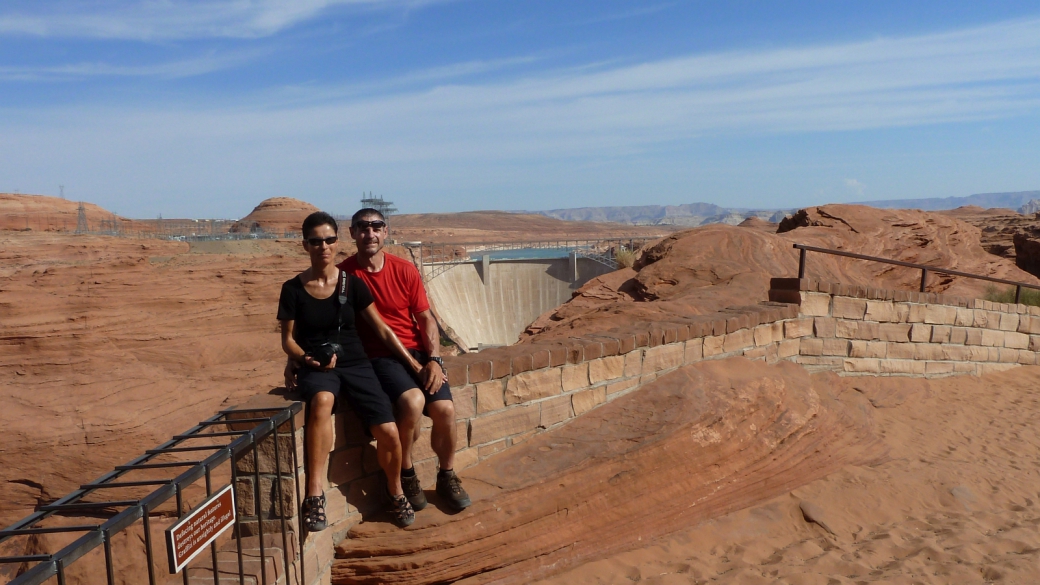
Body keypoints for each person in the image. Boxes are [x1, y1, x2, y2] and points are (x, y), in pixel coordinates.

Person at [278, 211, 425, 530]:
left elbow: (383, 329)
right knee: (322, 402)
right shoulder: (293, 289)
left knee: (388, 430)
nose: (323, 246)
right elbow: (288, 340)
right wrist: (302, 359)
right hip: (317, 364)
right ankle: (314, 495)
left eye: (329, 240)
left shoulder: (352, 284)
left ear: (336, 241)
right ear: (305, 245)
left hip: (356, 362)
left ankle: (395, 489)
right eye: (315, 241)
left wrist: (415, 363)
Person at [338, 208, 471, 512]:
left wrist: (435, 359)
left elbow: (425, 319)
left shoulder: (404, 269)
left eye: (375, 227)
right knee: (412, 402)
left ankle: (447, 475)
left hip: (419, 352)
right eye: (362, 228)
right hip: (380, 356)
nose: (369, 233)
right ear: (352, 233)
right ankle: (406, 473)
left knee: (446, 410)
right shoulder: (345, 275)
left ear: (385, 232)